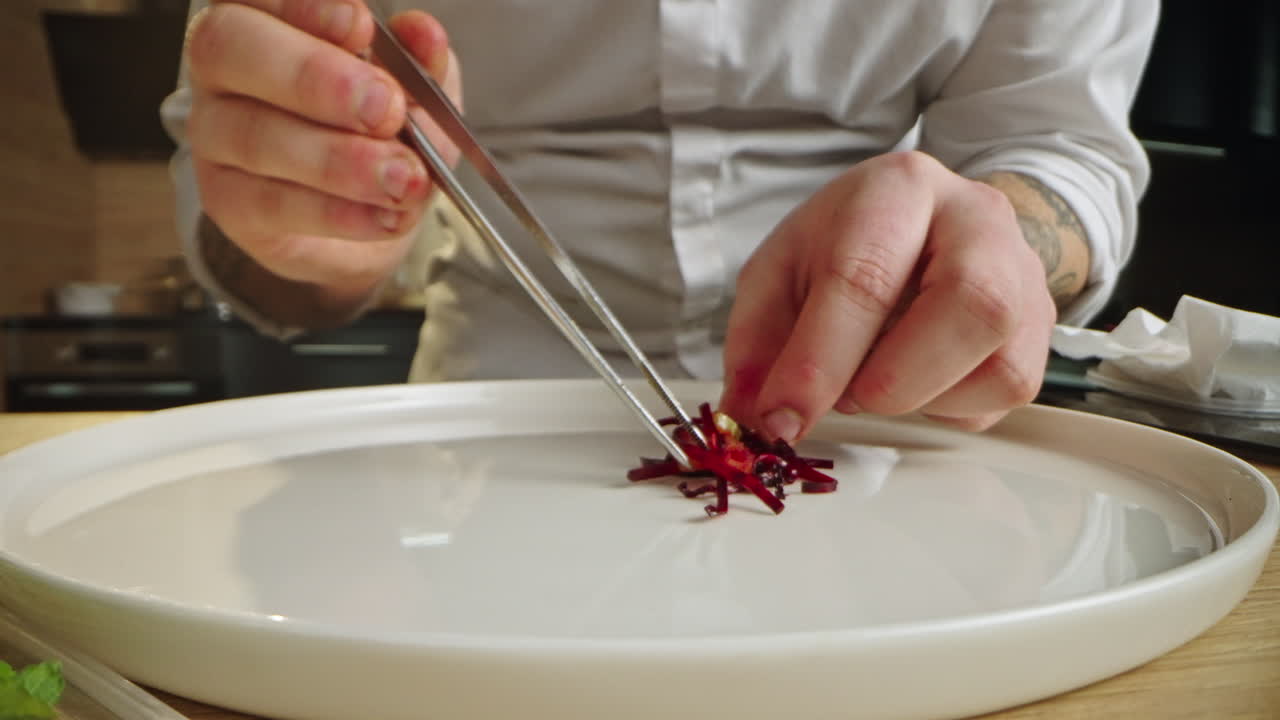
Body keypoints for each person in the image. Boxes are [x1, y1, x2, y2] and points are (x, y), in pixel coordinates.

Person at [160, 0, 1158, 443]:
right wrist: (316, 225)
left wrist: (999, 235)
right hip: (481, 447)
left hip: (881, 436)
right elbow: (243, 142)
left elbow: (1057, 144)